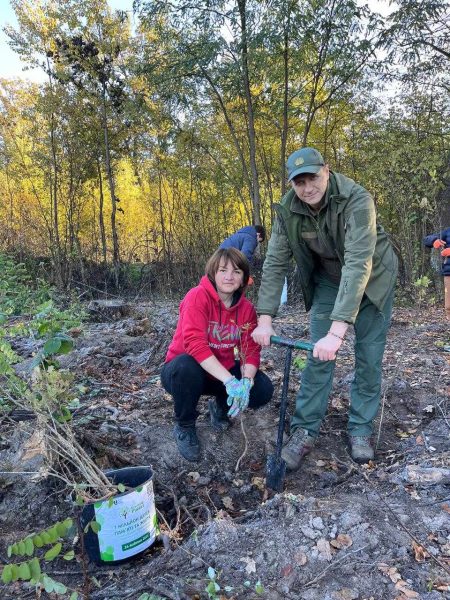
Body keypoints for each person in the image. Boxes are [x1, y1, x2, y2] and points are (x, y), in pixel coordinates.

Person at [252, 147, 398, 468]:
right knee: (318, 357)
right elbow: (276, 261)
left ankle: (360, 428)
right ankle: (304, 429)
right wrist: (264, 319)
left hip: (374, 277)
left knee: (368, 356)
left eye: (313, 178)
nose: (308, 188)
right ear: (292, 185)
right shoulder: (288, 210)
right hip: (330, 280)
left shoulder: (358, 200)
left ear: (327, 171)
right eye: (299, 182)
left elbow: (359, 263)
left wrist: (337, 331)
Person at [161, 248, 274, 461]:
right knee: (186, 366)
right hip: (183, 374)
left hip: (218, 375)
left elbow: (250, 349)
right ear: (213, 273)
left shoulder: (246, 309)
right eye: (223, 270)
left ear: (244, 279)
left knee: (263, 389)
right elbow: (195, 345)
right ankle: (185, 426)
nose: (229, 276)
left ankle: (220, 407)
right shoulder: (197, 297)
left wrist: (246, 382)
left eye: (236, 272)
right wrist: (230, 380)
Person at [423, 227, 450, 321]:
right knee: (448, 306)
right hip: (449, 274)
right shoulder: (447, 232)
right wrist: (434, 240)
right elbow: (426, 240)